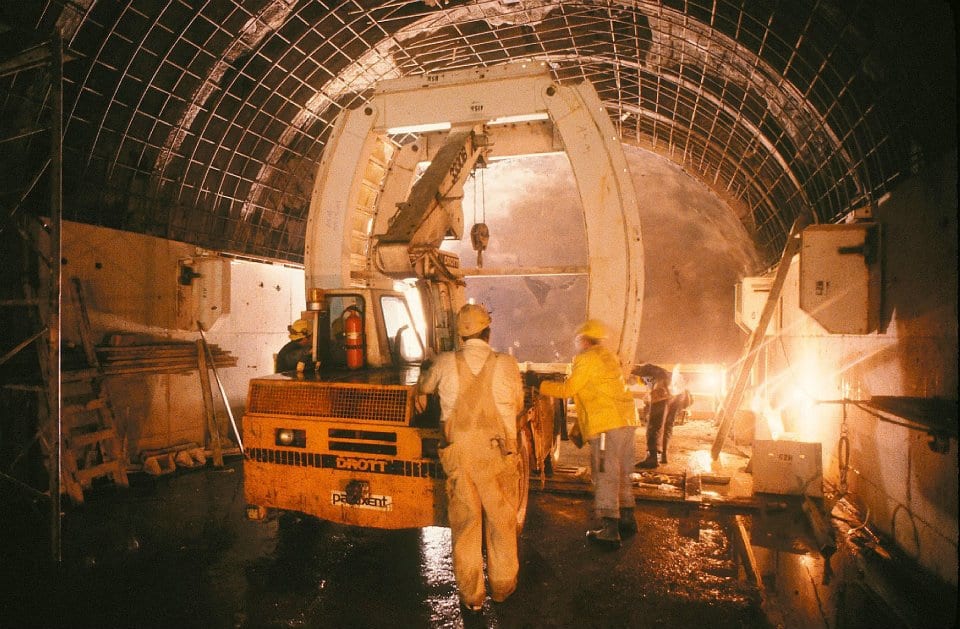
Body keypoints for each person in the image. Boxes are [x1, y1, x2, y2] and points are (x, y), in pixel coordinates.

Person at [417, 303, 524, 613]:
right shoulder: (507, 364)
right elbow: (516, 405)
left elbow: (423, 386)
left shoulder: (443, 362)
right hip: (496, 452)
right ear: (487, 331)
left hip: (459, 453)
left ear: (459, 334)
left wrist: (421, 392)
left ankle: (472, 598)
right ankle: (502, 588)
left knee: (465, 526)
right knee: (501, 521)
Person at [539, 319, 639, 549]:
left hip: (606, 425)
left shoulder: (586, 358)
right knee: (622, 472)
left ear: (584, 339)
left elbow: (568, 390)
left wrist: (541, 385)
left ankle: (610, 530)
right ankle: (627, 519)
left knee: (605, 473)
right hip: (626, 420)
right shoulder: (609, 357)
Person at [633, 363, 690, 468]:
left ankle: (652, 458)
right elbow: (650, 387)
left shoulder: (641, 370)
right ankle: (663, 455)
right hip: (680, 393)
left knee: (654, 425)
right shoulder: (659, 372)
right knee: (668, 425)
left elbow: (652, 387)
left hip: (664, 391)